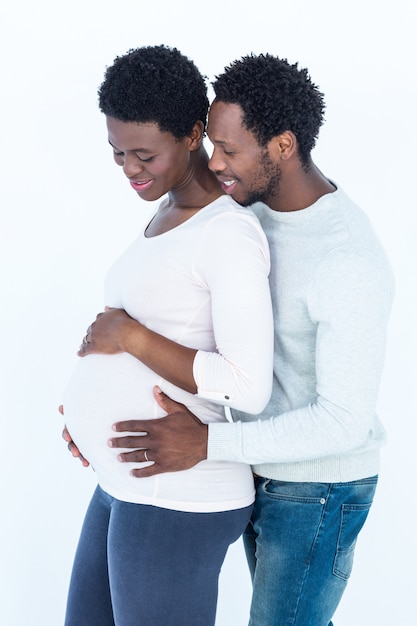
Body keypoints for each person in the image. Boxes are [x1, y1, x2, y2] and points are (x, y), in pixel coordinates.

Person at [81, 53, 395, 625]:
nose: (215, 164)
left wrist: (207, 445)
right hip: (260, 465)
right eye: (213, 144)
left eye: (229, 150)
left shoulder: (346, 260)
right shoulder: (253, 208)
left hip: (317, 491)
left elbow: (344, 421)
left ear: (282, 146)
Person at [61, 45, 274, 626]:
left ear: (192, 133)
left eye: (143, 154)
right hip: (126, 482)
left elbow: (248, 385)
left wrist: (129, 337)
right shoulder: (165, 215)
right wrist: (89, 416)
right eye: (117, 153)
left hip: (179, 492)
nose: (130, 169)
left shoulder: (227, 233)